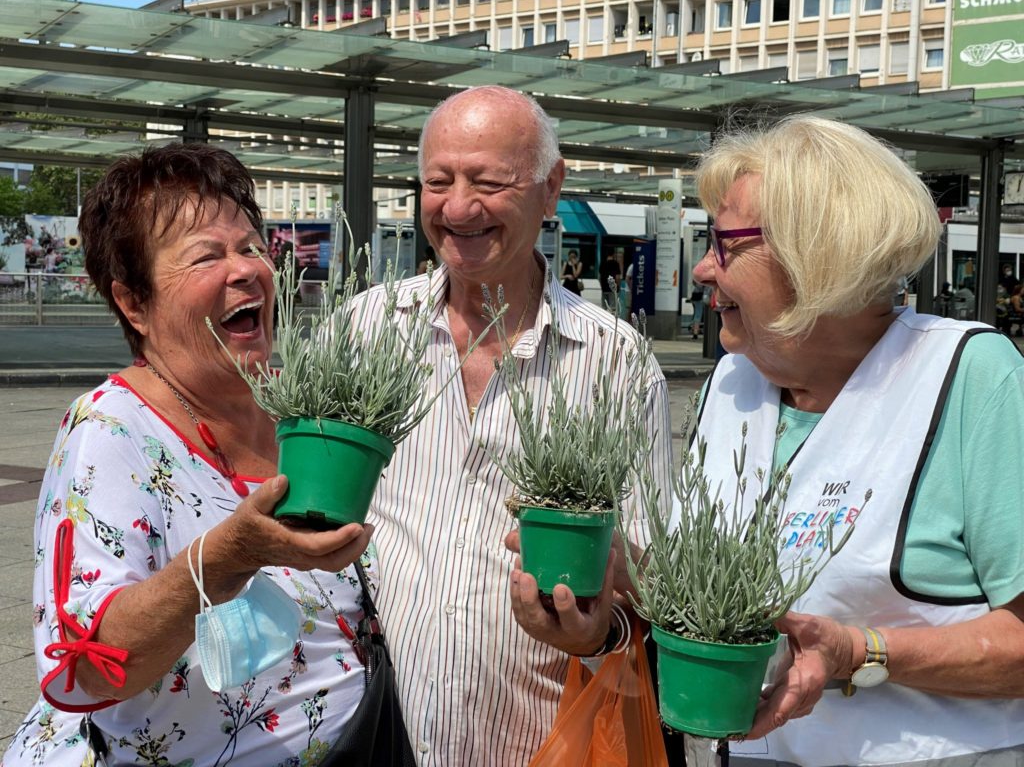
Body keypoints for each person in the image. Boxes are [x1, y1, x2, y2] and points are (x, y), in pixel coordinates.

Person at [3, 144, 375, 767]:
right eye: (208, 254)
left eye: (252, 247)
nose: (246, 270)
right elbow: (91, 665)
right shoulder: (110, 431)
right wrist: (230, 556)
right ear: (134, 303)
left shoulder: (300, 408)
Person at [685, 115, 1024, 766]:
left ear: (815, 255)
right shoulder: (730, 386)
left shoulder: (969, 375)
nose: (703, 268)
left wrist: (862, 652)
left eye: (724, 245)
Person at [361, 85, 672, 766]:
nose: (458, 207)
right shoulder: (367, 328)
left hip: (540, 746)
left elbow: (650, 581)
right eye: (437, 182)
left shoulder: (615, 360)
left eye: (489, 182)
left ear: (549, 187)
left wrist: (595, 633)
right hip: (371, 738)